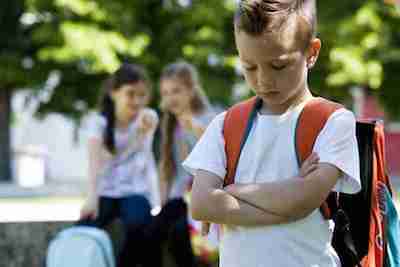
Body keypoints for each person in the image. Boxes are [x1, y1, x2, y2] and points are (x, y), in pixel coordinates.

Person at [183, 1, 361, 266]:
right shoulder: (225, 124)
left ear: (311, 52)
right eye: (249, 67)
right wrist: (286, 196)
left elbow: (302, 202)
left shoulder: (333, 121)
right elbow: (201, 205)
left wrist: (232, 191)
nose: (263, 80)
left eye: (278, 66)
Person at [122, 61, 215, 267]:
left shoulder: (209, 119)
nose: (170, 98)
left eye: (176, 91)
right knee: (150, 232)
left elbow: (215, 156)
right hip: (179, 198)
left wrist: (194, 127)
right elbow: (167, 168)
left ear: (191, 90)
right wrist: (161, 204)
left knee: (181, 233)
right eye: (165, 93)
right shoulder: (170, 124)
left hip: (204, 196)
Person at [78, 63, 159, 266]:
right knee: (81, 229)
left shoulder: (147, 118)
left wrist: (141, 131)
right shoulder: (98, 123)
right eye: (130, 94)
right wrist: (91, 198)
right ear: (114, 93)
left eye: (142, 95)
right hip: (105, 191)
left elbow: (150, 119)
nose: (137, 101)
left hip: (135, 191)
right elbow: (94, 163)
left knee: (139, 223)